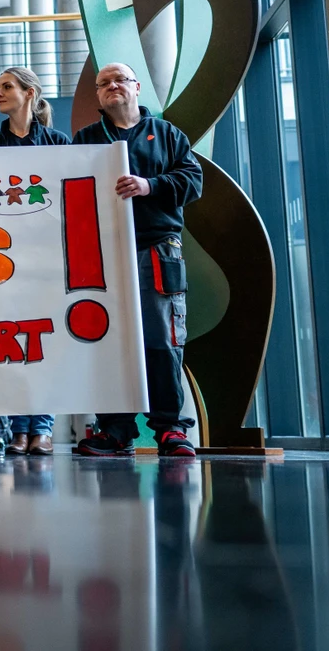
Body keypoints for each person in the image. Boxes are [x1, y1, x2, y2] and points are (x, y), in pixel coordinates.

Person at [72, 62, 203, 458]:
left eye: (120, 80)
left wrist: (150, 185)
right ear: (98, 94)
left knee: (162, 339)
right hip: (104, 251)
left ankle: (170, 428)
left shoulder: (167, 135)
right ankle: (115, 430)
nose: (112, 86)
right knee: (107, 340)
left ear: (137, 87)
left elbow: (193, 181)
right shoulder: (87, 139)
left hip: (156, 247)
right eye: (104, 83)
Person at [0, 68, 69, 456]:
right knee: (14, 341)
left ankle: (43, 428)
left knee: (46, 343)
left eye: (6, 87)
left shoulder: (58, 143)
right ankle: (19, 429)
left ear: (29, 93)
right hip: (4, 258)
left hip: (47, 258)